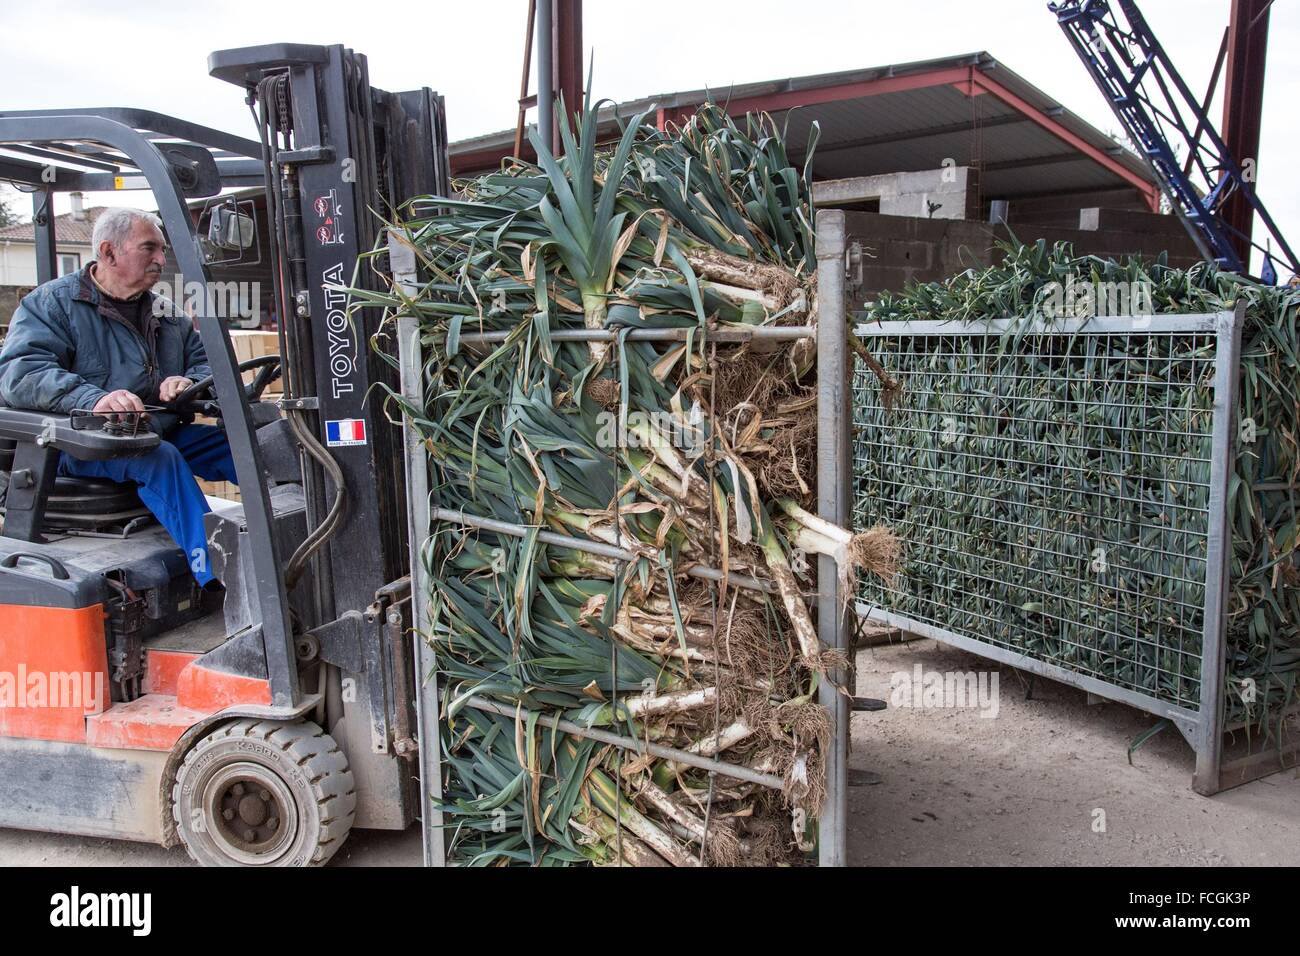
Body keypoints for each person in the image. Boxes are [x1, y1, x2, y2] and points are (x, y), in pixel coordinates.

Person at [0, 207, 237, 587]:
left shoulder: (167, 314)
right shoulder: (51, 306)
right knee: (160, 458)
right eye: (150, 249)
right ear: (109, 253)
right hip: (78, 446)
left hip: (152, 431)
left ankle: (293, 545)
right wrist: (94, 399)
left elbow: (208, 365)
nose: (161, 259)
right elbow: (20, 373)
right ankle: (219, 579)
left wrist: (188, 381)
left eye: (162, 249)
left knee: (242, 446)